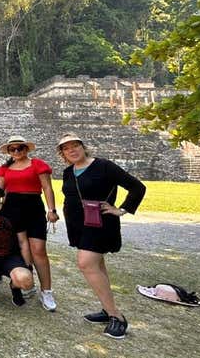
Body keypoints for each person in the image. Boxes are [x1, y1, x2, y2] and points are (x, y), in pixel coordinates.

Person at [58, 133, 146, 339]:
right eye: (66, 148)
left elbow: (137, 187)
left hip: (100, 223)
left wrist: (122, 209)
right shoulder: (68, 172)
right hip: (78, 225)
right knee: (97, 266)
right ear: (62, 154)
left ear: (83, 146)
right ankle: (107, 310)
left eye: (75, 145)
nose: (72, 150)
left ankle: (117, 316)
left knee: (86, 264)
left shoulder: (104, 166)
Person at [0, 135, 59, 311]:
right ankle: (24, 283)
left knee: (38, 250)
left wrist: (51, 209)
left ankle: (46, 291)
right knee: (20, 249)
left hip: (33, 208)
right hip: (11, 210)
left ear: (26, 149)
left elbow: (47, 187)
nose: (16, 152)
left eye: (20, 148)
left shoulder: (38, 164)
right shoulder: (4, 168)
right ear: (9, 151)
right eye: (12, 149)